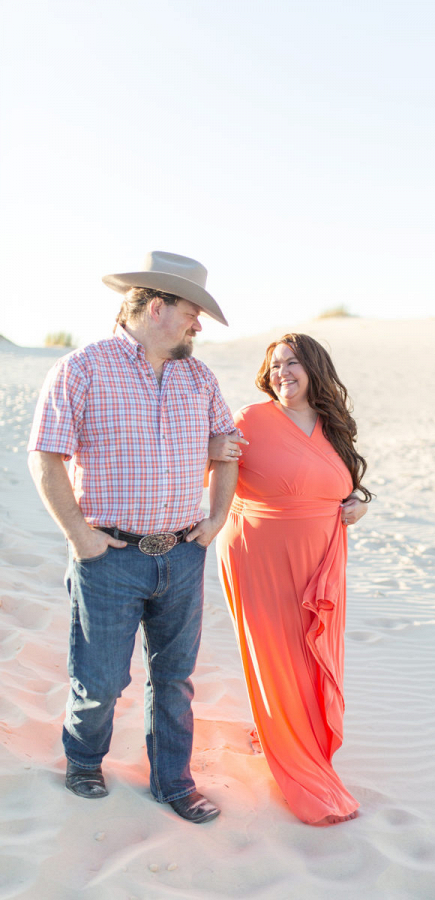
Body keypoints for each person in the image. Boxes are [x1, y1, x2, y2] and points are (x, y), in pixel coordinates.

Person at [27, 251, 244, 824]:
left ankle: (173, 783)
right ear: (157, 306)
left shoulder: (199, 377)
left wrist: (216, 518)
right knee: (100, 680)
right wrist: (80, 536)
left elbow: (229, 448)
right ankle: (84, 761)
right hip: (110, 556)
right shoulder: (82, 368)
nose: (199, 325)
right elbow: (45, 458)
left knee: (175, 680)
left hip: (182, 555)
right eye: (194, 312)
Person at [215, 333, 372, 826]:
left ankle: (300, 740)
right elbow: (209, 473)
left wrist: (359, 504)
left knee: (313, 655)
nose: (283, 372)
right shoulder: (250, 420)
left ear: (314, 368)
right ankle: (294, 758)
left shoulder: (333, 426)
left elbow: (344, 484)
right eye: (275, 365)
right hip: (259, 555)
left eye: (292, 362)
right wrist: (212, 450)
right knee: (280, 658)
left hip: (322, 560)